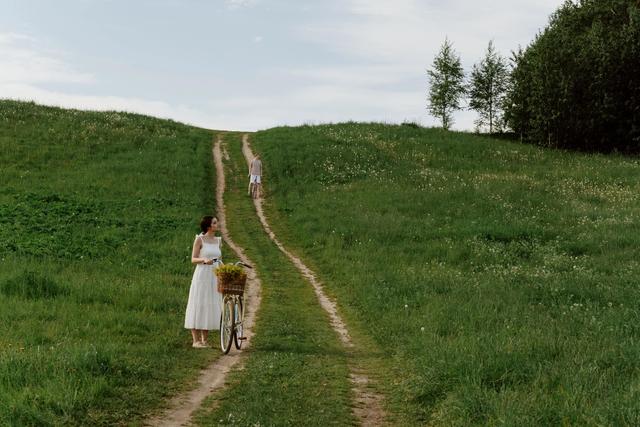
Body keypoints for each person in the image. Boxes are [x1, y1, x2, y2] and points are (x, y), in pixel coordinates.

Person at [184, 215, 223, 348]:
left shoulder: (218, 241)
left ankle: (204, 340)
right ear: (208, 226)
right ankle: (195, 340)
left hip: (214, 275)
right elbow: (193, 259)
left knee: (209, 303)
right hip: (202, 275)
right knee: (198, 302)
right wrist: (204, 260)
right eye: (214, 223)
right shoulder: (199, 239)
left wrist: (224, 271)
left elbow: (219, 259)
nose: (217, 224)